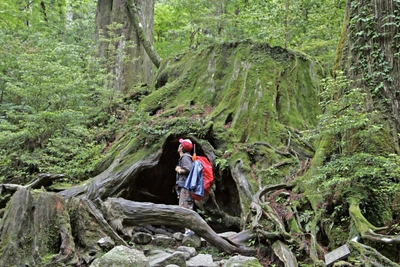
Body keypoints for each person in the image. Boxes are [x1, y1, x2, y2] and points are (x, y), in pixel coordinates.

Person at [175, 138, 195, 236]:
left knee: (185, 208)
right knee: (184, 207)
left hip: (186, 188)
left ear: (182, 147)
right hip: (185, 187)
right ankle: (188, 230)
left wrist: (179, 170)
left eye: (180, 145)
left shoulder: (185, 157)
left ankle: (189, 231)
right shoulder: (186, 157)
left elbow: (188, 169)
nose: (178, 146)